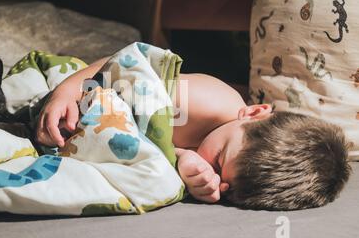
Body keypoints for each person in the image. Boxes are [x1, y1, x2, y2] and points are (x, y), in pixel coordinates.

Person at [36, 56, 351, 211]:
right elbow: (120, 65)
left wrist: (182, 161)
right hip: (85, 80)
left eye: (224, 190)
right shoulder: (197, 101)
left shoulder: (224, 152)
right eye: (217, 159)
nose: (210, 175)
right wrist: (65, 92)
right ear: (252, 114)